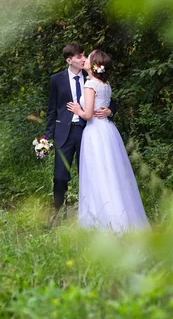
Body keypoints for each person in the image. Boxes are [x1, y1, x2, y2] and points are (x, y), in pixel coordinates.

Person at [67, 50, 150, 233]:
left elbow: (88, 115)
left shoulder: (90, 84)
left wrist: (77, 110)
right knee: (113, 173)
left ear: (94, 64)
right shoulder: (105, 84)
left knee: (98, 174)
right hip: (108, 130)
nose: (85, 59)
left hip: (95, 132)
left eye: (88, 57)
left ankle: (105, 222)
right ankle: (122, 218)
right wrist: (108, 112)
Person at [45, 43, 116, 226]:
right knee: (60, 176)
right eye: (79, 56)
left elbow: (109, 100)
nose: (83, 58)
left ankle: (94, 217)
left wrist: (110, 110)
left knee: (89, 175)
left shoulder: (91, 76)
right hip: (64, 133)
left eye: (84, 55)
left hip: (87, 131)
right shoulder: (56, 79)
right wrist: (46, 138)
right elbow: (52, 110)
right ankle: (56, 215)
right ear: (69, 60)